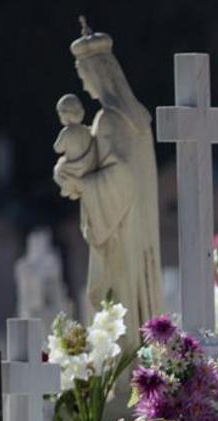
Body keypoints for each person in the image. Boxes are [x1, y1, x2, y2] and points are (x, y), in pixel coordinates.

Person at [52, 19, 162, 350]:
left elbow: (121, 177)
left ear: (99, 73)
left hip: (120, 230)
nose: (85, 86)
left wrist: (79, 183)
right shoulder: (136, 117)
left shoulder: (110, 119)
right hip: (134, 226)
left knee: (120, 306)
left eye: (85, 76)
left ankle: (127, 375)